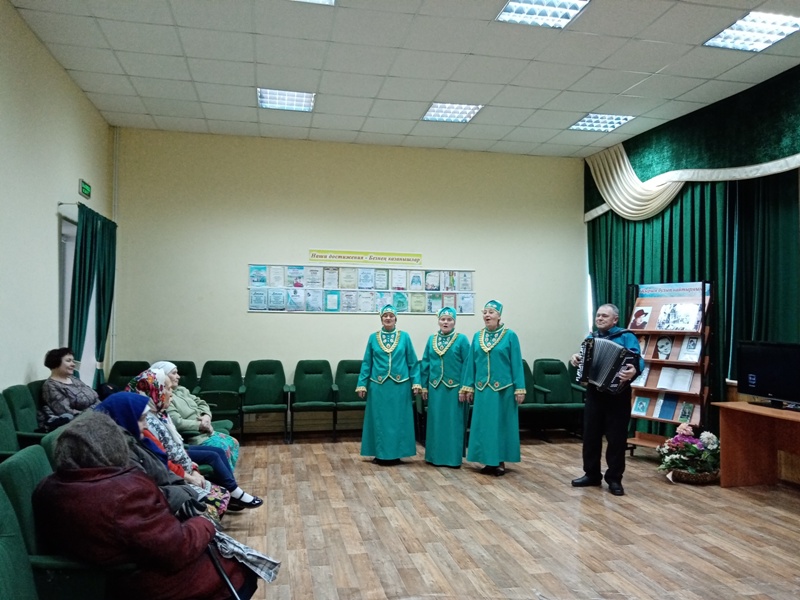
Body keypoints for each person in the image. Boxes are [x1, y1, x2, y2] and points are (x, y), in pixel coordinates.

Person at [33, 411, 259, 600]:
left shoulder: (46, 488)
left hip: (95, 579)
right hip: (146, 581)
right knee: (242, 570)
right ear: (111, 447)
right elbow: (178, 548)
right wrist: (204, 523)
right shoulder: (126, 491)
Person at [127, 369, 263, 510]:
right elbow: (163, 458)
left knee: (218, 452)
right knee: (215, 456)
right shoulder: (148, 421)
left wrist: (206, 416)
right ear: (155, 390)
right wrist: (190, 473)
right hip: (183, 454)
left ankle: (233, 490)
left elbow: (200, 404)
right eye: (167, 388)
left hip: (181, 453)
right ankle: (233, 493)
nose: (171, 393)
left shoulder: (160, 412)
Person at [95, 391, 227, 522]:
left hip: (176, 485)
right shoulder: (124, 455)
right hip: (167, 499)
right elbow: (150, 490)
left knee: (220, 496)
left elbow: (166, 464)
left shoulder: (140, 440)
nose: (146, 425)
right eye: (141, 419)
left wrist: (190, 473)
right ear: (125, 418)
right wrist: (186, 486)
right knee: (213, 505)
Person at [570, 303, 644, 496]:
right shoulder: (591, 337)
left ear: (615, 319)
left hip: (618, 395)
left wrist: (634, 371)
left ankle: (614, 479)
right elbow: (583, 359)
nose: (600, 318)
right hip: (594, 393)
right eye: (598, 315)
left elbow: (637, 360)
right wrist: (576, 358)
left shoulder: (626, 336)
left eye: (604, 316)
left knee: (616, 438)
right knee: (591, 436)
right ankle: (591, 474)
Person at [461, 300, 526, 476]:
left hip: (503, 390)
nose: (487, 315)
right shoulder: (477, 336)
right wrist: (468, 386)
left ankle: (500, 461)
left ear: (499, 316)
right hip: (483, 389)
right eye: (485, 312)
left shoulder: (510, 335)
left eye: (491, 312)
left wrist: (519, 388)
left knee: (501, 425)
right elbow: (471, 363)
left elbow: (516, 363)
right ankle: (487, 460)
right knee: (484, 426)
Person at [356, 304, 420, 465]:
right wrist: (362, 383)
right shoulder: (373, 337)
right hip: (378, 386)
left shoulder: (404, 337)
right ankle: (379, 453)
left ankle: (397, 454)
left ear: (396, 319)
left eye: (391, 316)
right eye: (385, 316)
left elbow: (412, 361)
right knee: (379, 420)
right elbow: (367, 362)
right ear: (381, 319)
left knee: (398, 420)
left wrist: (416, 382)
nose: (388, 318)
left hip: (400, 386)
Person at [151, 360, 240, 471]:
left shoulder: (182, 390)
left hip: (206, 429)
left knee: (234, 442)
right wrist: (200, 425)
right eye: (174, 373)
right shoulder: (165, 398)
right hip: (194, 436)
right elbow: (177, 422)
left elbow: (201, 403)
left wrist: (206, 416)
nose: (178, 376)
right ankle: (224, 477)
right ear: (163, 375)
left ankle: (227, 473)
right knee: (223, 447)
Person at [420, 307, 470, 468]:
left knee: (453, 423)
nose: (445, 322)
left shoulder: (461, 339)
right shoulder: (431, 339)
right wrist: (424, 386)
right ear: (438, 321)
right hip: (435, 388)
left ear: (454, 322)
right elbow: (426, 363)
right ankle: (434, 456)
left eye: (449, 319)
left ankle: (452, 459)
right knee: (435, 422)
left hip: (455, 389)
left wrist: (465, 387)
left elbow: (468, 365)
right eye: (443, 319)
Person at [38, 347, 100, 431]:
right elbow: (66, 412)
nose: (73, 364)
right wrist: (94, 411)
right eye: (68, 361)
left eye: (73, 361)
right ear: (55, 362)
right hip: (80, 424)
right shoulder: (51, 386)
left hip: (96, 414)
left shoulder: (74, 379)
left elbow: (95, 396)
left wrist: (98, 409)